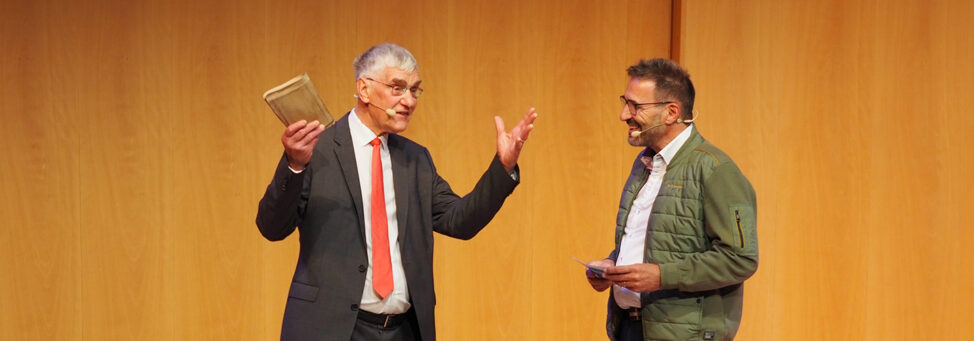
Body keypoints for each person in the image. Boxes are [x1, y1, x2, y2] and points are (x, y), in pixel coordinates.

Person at [256, 43, 537, 341]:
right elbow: (272, 227)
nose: (409, 100)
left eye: (415, 90)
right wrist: (294, 165)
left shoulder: (416, 160)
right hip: (331, 329)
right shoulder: (317, 147)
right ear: (364, 89)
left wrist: (503, 167)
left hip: (403, 331)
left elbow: (461, 221)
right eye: (397, 88)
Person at [584, 58, 757, 341]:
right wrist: (612, 265)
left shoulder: (714, 169)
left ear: (671, 112)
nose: (623, 115)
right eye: (624, 102)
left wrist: (662, 276)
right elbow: (657, 241)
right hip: (630, 329)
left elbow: (740, 259)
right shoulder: (644, 164)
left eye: (635, 106)